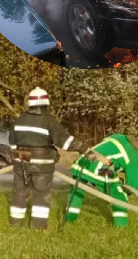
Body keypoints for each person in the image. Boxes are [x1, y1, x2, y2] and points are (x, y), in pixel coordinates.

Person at [8, 88, 84, 230]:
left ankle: (15, 224)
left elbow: (12, 143)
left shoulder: (19, 120)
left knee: (19, 192)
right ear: (45, 103)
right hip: (42, 165)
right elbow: (66, 141)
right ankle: (38, 227)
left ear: (29, 103)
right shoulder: (49, 122)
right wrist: (84, 148)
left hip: (21, 163)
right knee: (41, 194)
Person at [66, 135, 138, 228]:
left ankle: (70, 217)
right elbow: (133, 185)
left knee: (77, 188)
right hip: (99, 169)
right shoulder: (136, 157)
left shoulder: (119, 137)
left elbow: (108, 151)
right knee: (119, 195)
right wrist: (125, 190)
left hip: (82, 162)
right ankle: (121, 226)